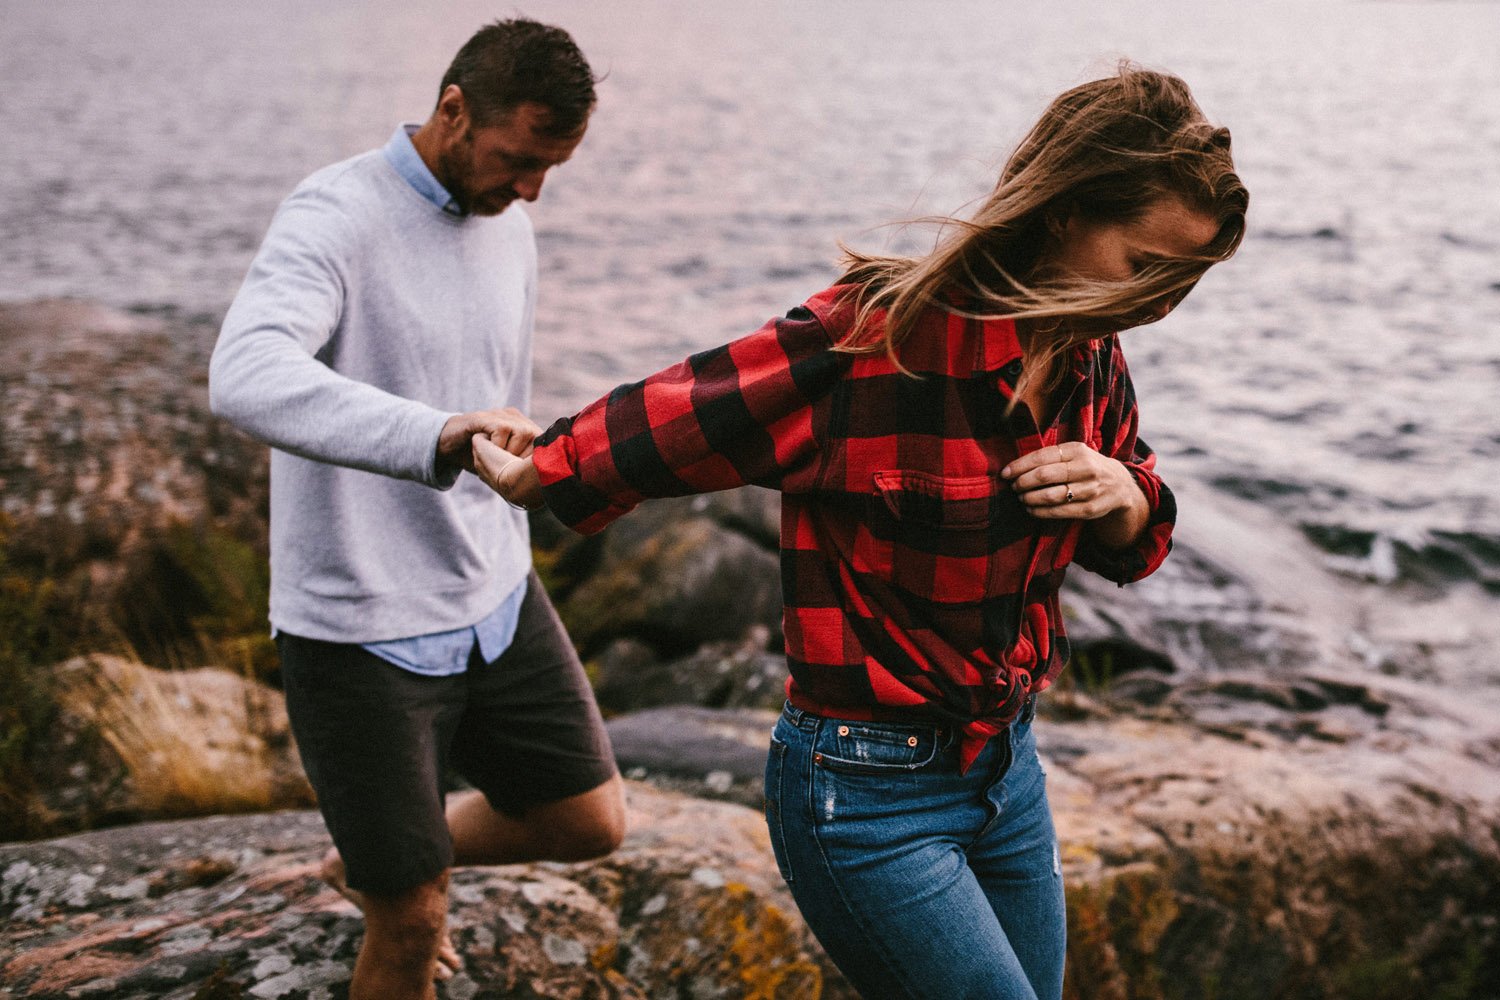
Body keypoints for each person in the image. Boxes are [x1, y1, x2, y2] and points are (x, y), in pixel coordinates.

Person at [471, 64, 1248, 999]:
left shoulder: (1087, 352)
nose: (1168, 298)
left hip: (1009, 772)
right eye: (1149, 264)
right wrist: (546, 467)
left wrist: (1125, 497)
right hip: (865, 795)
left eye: (1189, 275)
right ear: (1065, 212)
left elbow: (1140, 519)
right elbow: (695, 407)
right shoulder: (881, 337)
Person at [208, 19, 624, 1000]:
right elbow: (244, 374)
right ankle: (391, 874)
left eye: (551, 169)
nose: (530, 191)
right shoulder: (334, 214)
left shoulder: (508, 224)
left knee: (591, 820)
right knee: (413, 921)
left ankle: (377, 856)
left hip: (493, 589)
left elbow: (491, 391)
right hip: (361, 621)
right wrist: (437, 434)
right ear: (452, 111)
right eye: (520, 160)